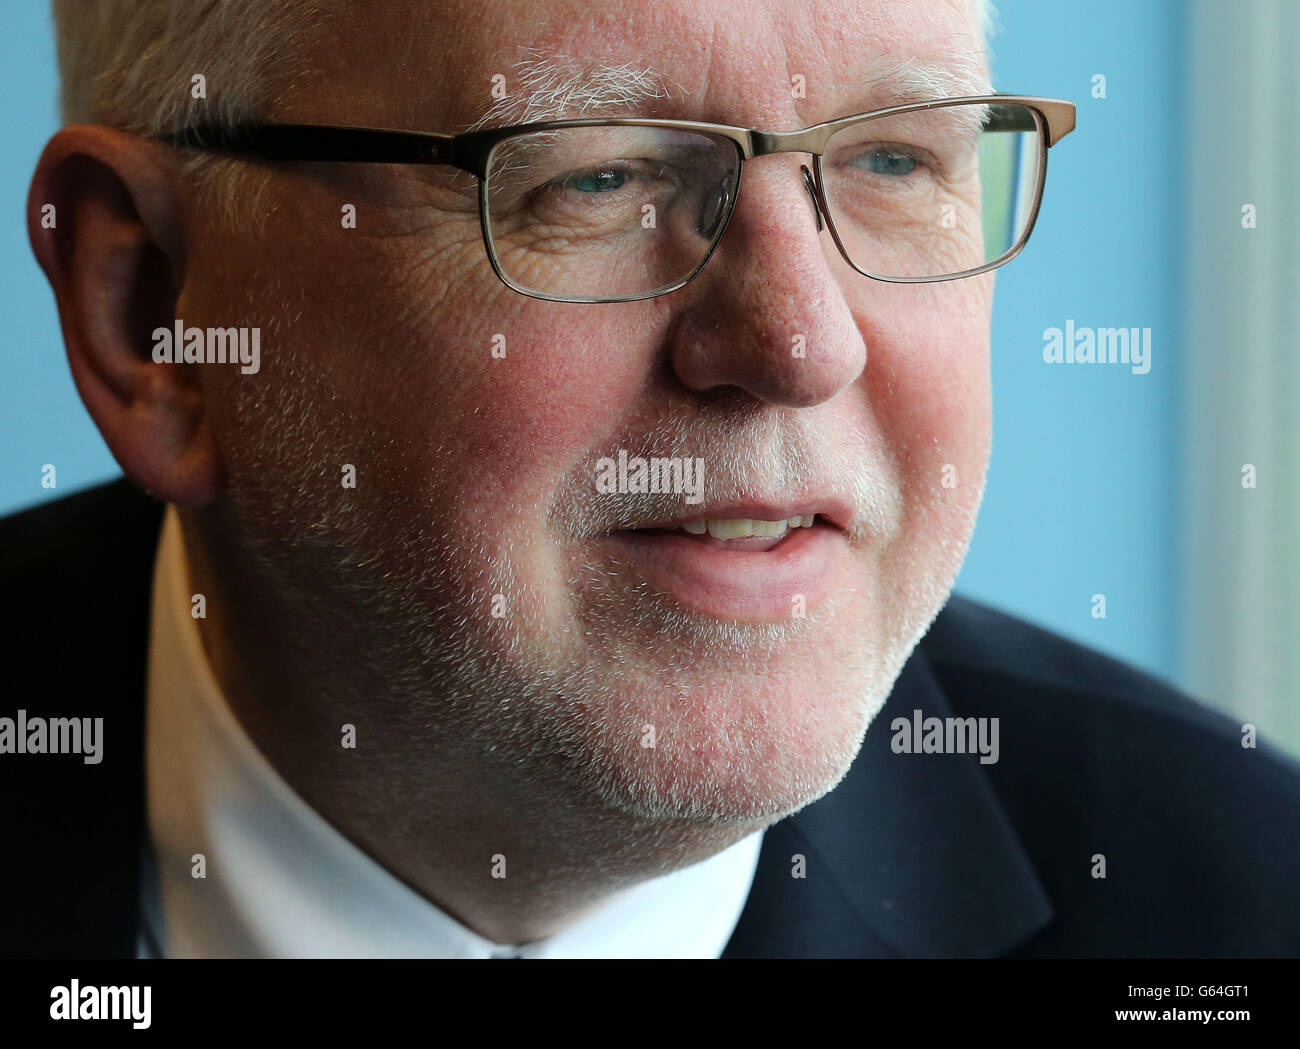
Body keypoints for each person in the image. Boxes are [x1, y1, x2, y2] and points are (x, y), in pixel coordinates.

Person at [3, 0, 1297, 959]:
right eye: (597, 175)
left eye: (897, 161)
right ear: (155, 316)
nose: (799, 343)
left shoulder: (1237, 902)